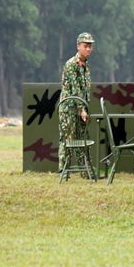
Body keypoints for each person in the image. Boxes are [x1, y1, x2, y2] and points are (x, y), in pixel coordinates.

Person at [59, 32, 94, 176]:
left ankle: (85, 171)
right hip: (69, 109)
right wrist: (81, 109)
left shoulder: (85, 65)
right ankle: (64, 170)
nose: (88, 49)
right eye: (85, 46)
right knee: (68, 139)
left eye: (90, 46)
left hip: (81, 108)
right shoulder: (71, 64)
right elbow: (75, 89)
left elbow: (85, 89)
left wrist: (84, 108)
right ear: (78, 46)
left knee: (83, 139)